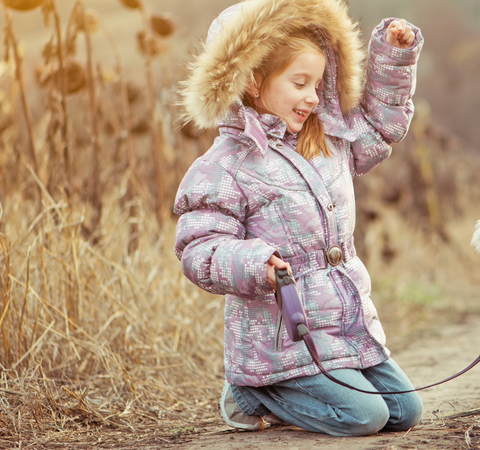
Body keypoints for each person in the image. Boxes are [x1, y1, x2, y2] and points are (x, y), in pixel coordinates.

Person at [174, 0, 424, 437]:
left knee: (405, 412)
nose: (312, 96)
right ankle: (250, 392)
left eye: (318, 84)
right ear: (252, 81)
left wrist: (393, 57)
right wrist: (254, 262)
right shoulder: (227, 165)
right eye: (299, 83)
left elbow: (381, 127)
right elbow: (199, 247)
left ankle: (304, 387)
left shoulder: (329, 141)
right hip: (280, 335)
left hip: (345, 323)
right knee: (365, 417)